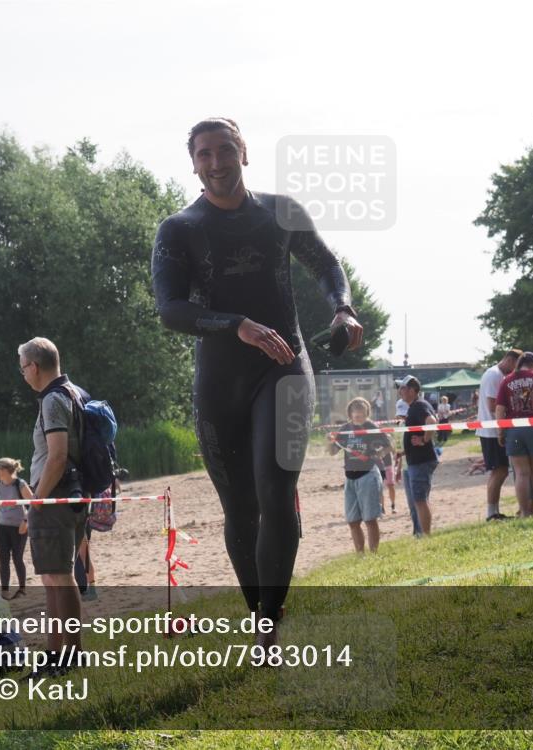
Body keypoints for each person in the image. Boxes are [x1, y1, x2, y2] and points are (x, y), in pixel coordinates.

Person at [152, 118, 362, 647]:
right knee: (240, 508)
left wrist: (343, 308)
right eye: (205, 154)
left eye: (226, 150)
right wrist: (235, 324)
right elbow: (170, 310)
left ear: (244, 153)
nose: (217, 162)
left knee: (275, 490)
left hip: (284, 364)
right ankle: (259, 609)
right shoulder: (180, 228)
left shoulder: (280, 211)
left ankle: (269, 623)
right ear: (194, 163)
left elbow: (325, 263)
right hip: (219, 377)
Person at [18, 336, 87, 667]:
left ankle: (70, 655)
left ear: (34, 366)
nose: (23, 375)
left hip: (55, 499)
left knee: (60, 576)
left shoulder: (53, 400)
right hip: (68, 496)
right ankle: (55, 652)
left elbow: (57, 457)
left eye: (23, 368)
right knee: (52, 576)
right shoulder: (73, 392)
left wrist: (37, 501)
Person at [494, 352, 533, 517]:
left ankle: (524, 512)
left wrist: (500, 432)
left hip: (514, 429)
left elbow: (499, 409)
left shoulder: (506, 380)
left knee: (521, 473)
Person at [329, 398, 390, 553]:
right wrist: (330, 442)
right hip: (350, 478)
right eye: (356, 416)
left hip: (368, 475)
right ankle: (360, 555)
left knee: (370, 519)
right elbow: (332, 451)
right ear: (350, 414)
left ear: (367, 414)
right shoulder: (345, 429)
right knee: (353, 521)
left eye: (362, 416)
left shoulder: (371, 427)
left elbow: (388, 445)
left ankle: (374, 554)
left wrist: (378, 454)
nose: (359, 419)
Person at [477, 349, 521, 521]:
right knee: (499, 471)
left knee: (500, 471)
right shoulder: (494, 375)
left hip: (493, 430)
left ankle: (493, 511)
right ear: (509, 360)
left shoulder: (496, 374)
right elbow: (492, 405)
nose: (515, 371)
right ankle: (492, 512)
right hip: (492, 431)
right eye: (515, 367)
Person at [396, 375, 438, 535]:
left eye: (403, 388)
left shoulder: (419, 405)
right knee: (418, 499)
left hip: (421, 460)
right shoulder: (415, 406)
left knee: (420, 500)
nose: (400, 391)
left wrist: (424, 439)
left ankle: (425, 535)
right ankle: (421, 533)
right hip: (415, 460)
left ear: (413, 390)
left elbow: (432, 422)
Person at [0, 457, 33, 600]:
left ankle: (22, 589)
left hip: (19, 528)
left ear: (4, 470)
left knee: (17, 558)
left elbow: (33, 504)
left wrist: (25, 522)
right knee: (3, 560)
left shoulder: (20, 484)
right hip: (2, 527)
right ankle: (5, 591)